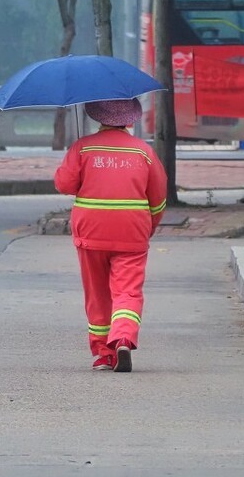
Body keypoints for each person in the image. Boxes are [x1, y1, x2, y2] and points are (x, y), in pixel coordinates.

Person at [53, 97, 168, 372]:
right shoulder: (143, 151)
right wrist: (148, 226)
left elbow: (64, 185)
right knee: (127, 291)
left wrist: (78, 157)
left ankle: (104, 354)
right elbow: (159, 197)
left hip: (90, 233)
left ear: (97, 117)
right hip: (132, 233)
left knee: (97, 294)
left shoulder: (83, 147)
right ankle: (124, 338)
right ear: (130, 120)